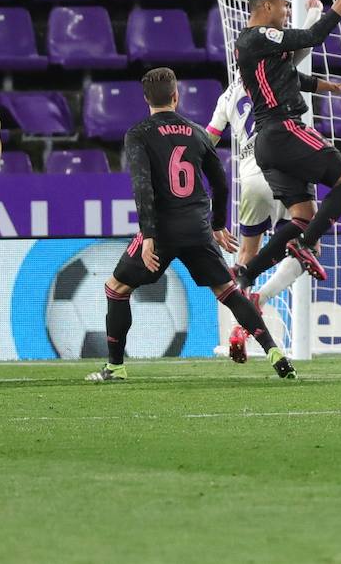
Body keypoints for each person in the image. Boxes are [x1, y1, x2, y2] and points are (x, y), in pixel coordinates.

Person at [88, 69, 294, 382]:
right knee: (227, 291)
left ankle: (115, 367)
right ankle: (275, 352)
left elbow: (142, 186)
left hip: (162, 229)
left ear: (146, 100)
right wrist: (217, 224)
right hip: (197, 227)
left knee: (116, 289)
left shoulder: (139, 133)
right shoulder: (197, 131)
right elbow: (221, 182)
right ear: (176, 96)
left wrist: (148, 237)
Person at [207, 0, 324, 362]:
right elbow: (299, 46)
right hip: (285, 162)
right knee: (310, 247)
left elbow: (209, 141)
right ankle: (263, 297)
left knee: (246, 258)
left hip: (251, 174)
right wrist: (314, 15)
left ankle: (234, 331)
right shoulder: (275, 74)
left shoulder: (227, 96)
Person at [232, 0, 341, 290]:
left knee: (303, 217)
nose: (287, 11)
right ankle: (305, 245)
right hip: (284, 129)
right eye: (284, 5)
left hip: (267, 143)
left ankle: (246, 273)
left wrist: (332, 86)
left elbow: (291, 77)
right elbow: (313, 36)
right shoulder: (260, 35)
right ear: (266, 6)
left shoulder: (257, 46)